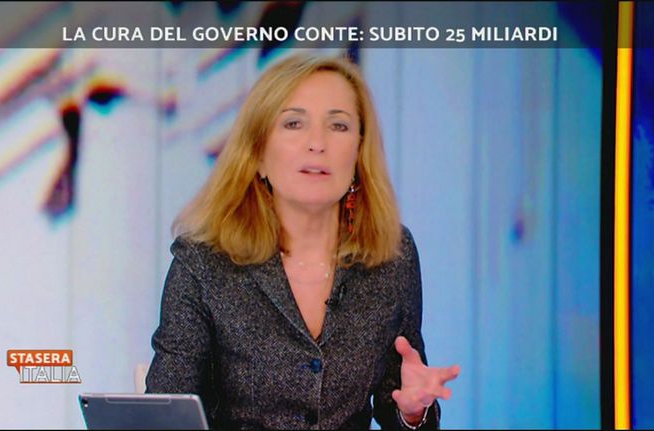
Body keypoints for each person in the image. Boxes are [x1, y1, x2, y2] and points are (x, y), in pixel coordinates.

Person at [145, 53, 460, 430]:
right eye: (294, 123)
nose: (317, 143)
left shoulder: (392, 254)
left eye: (338, 126)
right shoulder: (202, 263)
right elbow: (164, 414)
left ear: (359, 153)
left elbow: (402, 398)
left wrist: (412, 413)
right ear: (258, 154)